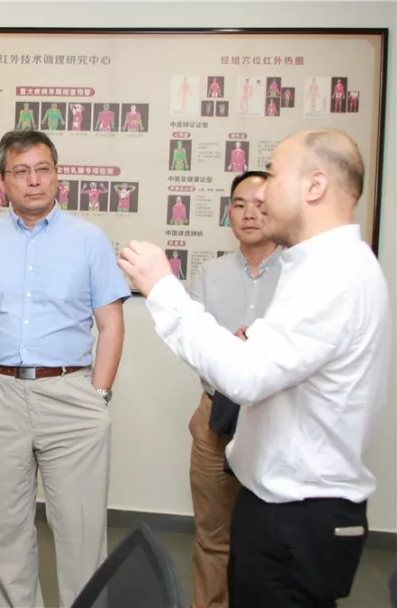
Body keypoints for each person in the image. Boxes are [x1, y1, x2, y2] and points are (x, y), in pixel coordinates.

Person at [119, 129, 391, 608]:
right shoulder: (323, 265)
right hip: (279, 507)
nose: (261, 195)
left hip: (297, 518)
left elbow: (246, 376)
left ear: (315, 185)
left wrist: (161, 288)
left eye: (273, 175)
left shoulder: (334, 274)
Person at [0, 129, 129, 607]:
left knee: (82, 530)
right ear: (2, 180)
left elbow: (111, 324)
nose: (34, 180)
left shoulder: (89, 240)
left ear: (57, 175)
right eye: (21, 171)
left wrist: (98, 396)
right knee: (6, 530)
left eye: (43, 169)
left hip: (71, 394)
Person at [185, 170, 282, 608]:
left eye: (261, 205)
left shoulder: (300, 276)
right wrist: (230, 351)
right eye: (240, 205)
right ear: (229, 212)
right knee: (212, 535)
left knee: (272, 537)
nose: (250, 214)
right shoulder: (210, 273)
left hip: (277, 416)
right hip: (217, 415)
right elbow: (192, 345)